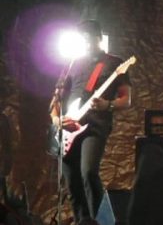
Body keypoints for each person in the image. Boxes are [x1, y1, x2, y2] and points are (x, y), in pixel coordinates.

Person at [49, 20, 132, 221]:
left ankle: (103, 221)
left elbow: (126, 100)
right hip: (69, 128)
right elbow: (55, 102)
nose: (85, 44)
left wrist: (107, 105)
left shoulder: (114, 63)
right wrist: (57, 121)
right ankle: (82, 220)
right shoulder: (72, 64)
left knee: (88, 172)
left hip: (95, 126)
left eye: (88, 39)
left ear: (98, 38)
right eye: (82, 39)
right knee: (72, 181)